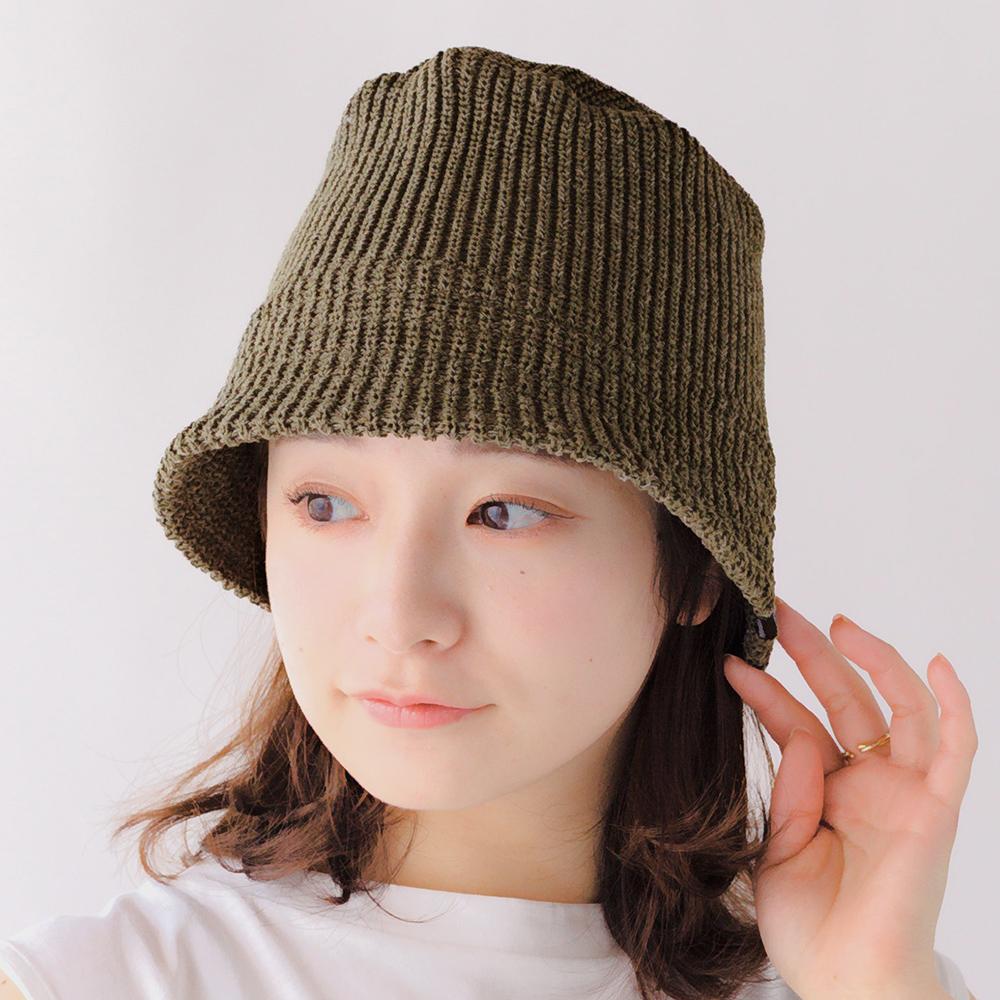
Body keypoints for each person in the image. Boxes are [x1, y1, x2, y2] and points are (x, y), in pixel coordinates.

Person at [0, 46, 977, 1000]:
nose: (398, 616)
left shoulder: (847, 976)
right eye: (324, 503)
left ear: (693, 569)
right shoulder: (103, 982)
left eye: (501, 513)